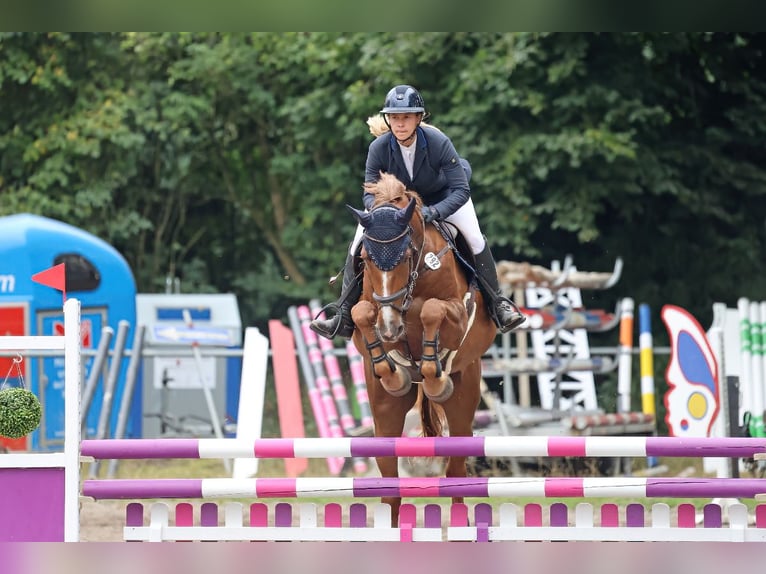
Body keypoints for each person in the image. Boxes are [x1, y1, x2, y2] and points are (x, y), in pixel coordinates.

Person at [310, 84, 525, 339]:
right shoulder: (378, 148)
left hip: (443, 198)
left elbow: (461, 190)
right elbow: (369, 193)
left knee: (475, 238)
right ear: (388, 120)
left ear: (418, 118)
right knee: (358, 243)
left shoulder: (438, 143)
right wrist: (382, 214)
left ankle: (497, 305)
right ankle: (343, 314)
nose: (400, 124)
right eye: (395, 118)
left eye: (406, 117)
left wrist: (434, 212)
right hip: (396, 206)